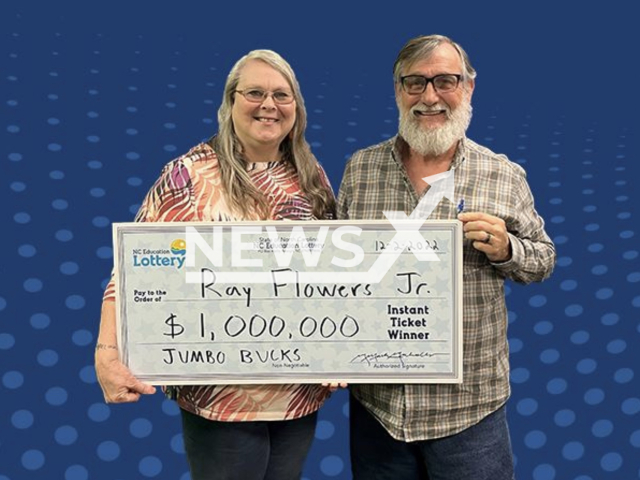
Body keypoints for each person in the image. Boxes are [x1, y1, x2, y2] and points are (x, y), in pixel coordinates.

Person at [95, 49, 337, 480]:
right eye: (255, 92)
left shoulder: (311, 176)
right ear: (230, 103)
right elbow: (131, 273)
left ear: (296, 109)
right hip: (220, 393)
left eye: (282, 95)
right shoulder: (188, 176)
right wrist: (107, 354)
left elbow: (339, 271)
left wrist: (346, 355)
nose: (269, 105)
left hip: (298, 391)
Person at [337, 34, 556, 479]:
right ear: (398, 90)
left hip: (468, 413)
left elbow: (544, 259)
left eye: (445, 81)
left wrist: (508, 248)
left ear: (469, 87)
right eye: (414, 82)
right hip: (378, 410)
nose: (429, 96)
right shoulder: (360, 168)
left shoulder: (502, 174)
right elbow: (335, 269)